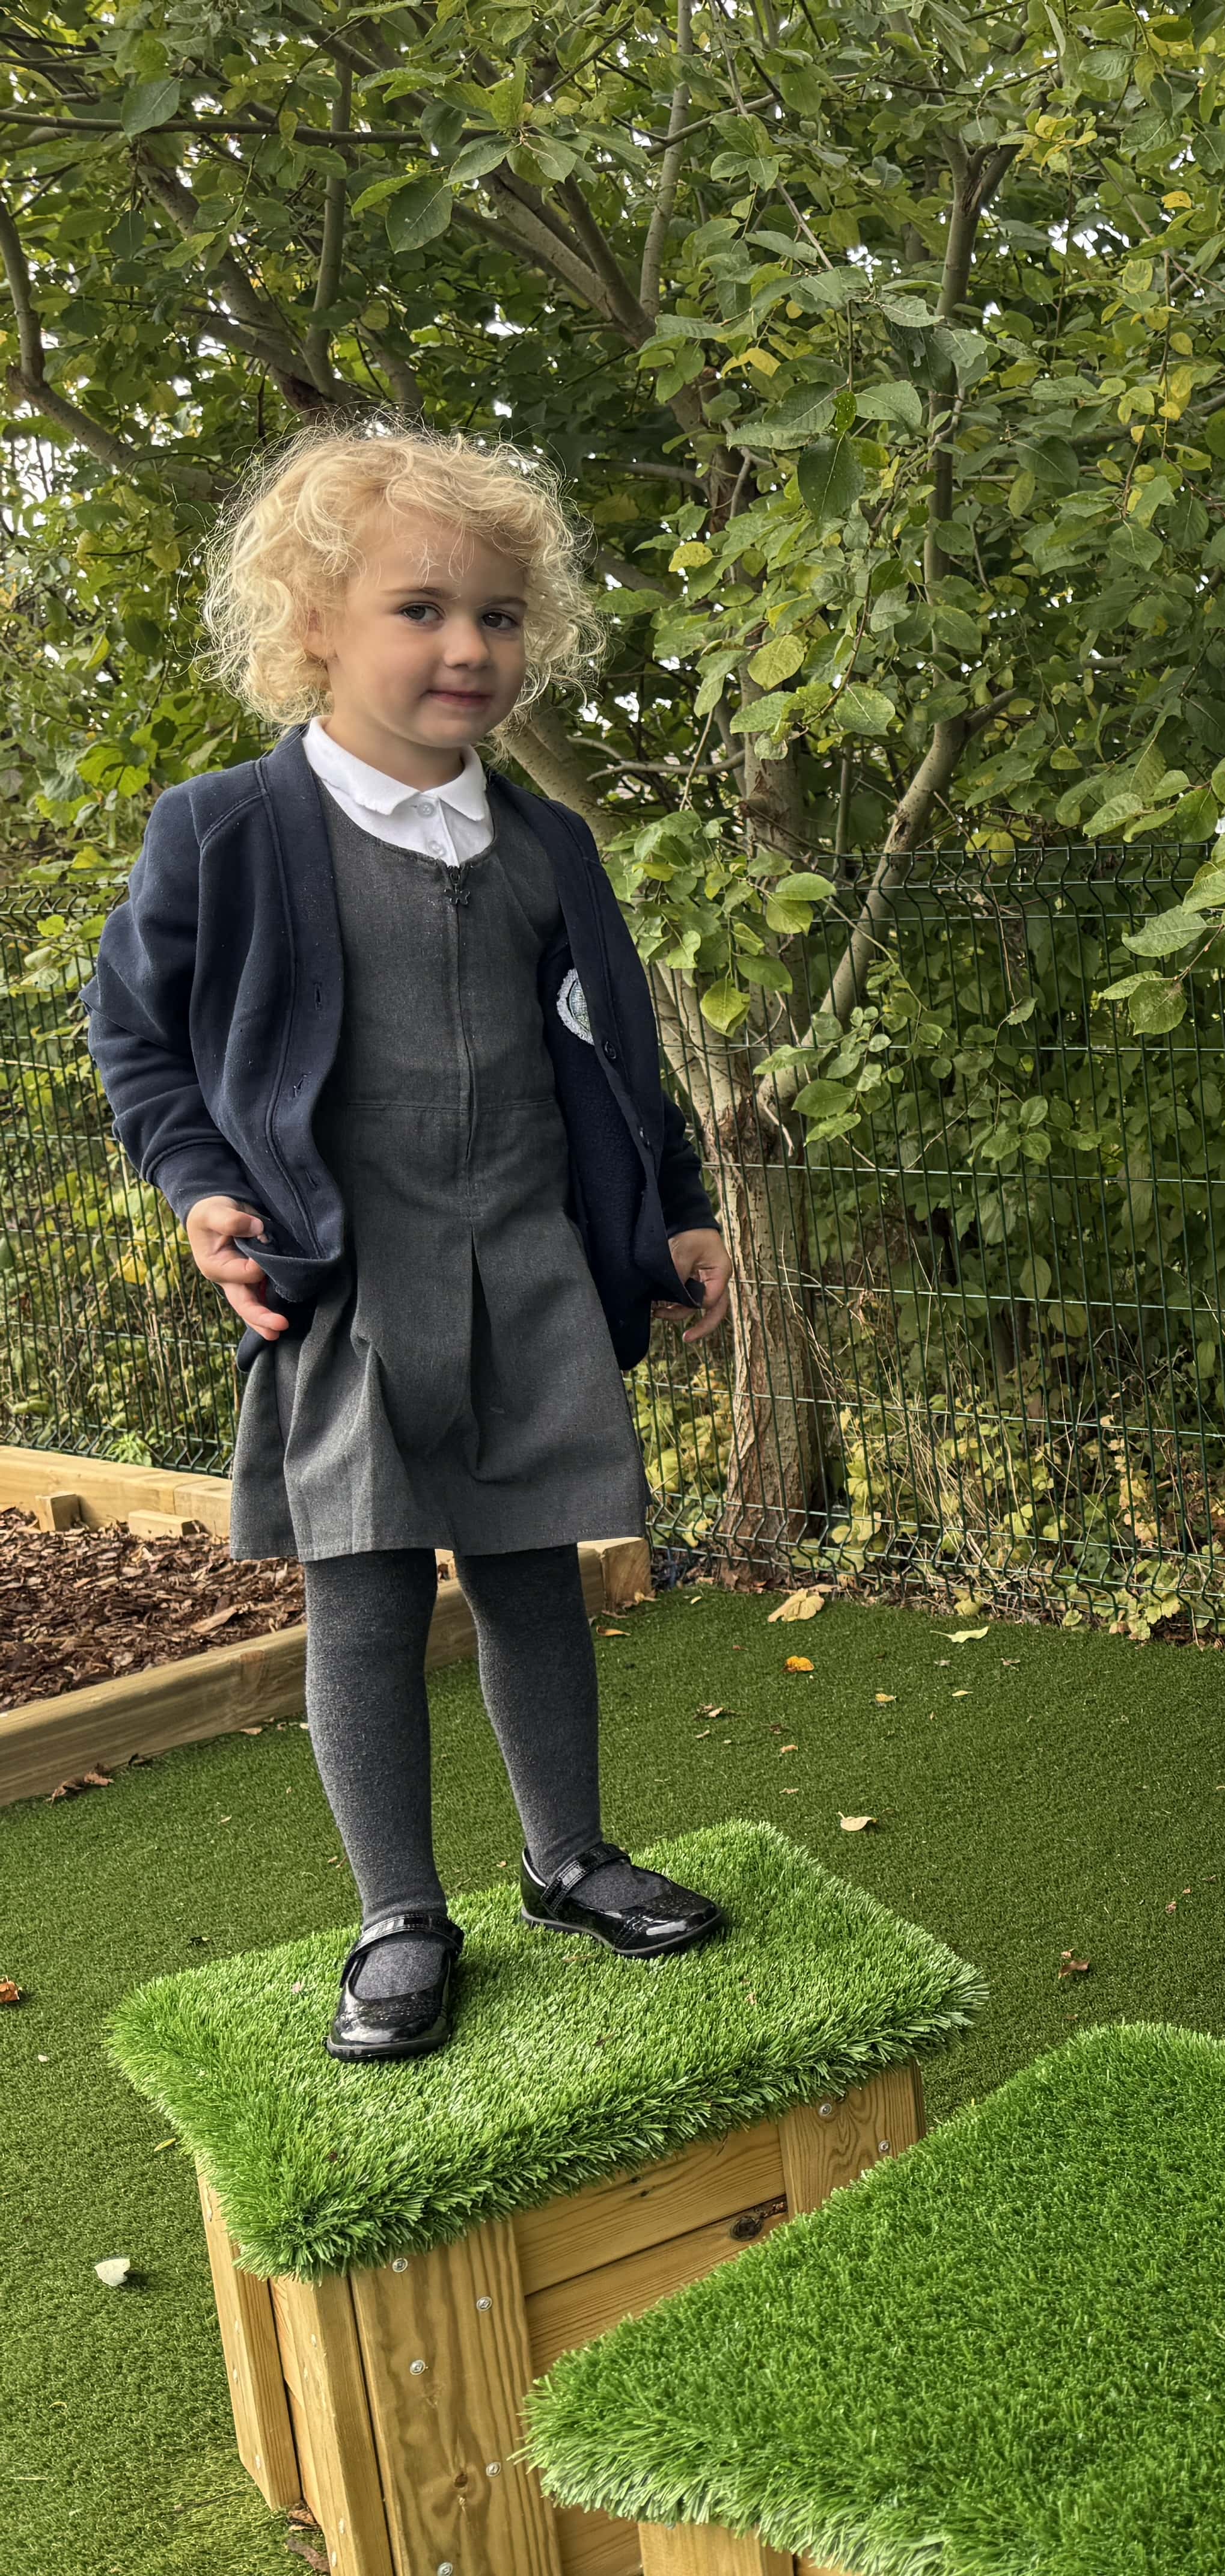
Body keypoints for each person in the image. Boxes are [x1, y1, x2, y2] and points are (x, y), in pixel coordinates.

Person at [85, 420, 736, 2062]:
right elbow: (138, 1040)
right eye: (421, 609)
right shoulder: (227, 832)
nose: (469, 647)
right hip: (351, 1286)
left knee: (536, 1576)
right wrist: (199, 1187)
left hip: (528, 1267)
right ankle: (398, 1914)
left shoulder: (545, 845)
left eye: (500, 616)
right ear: (313, 623)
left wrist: (677, 1207)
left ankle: (569, 1858)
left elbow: (620, 1052)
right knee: (366, 1600)